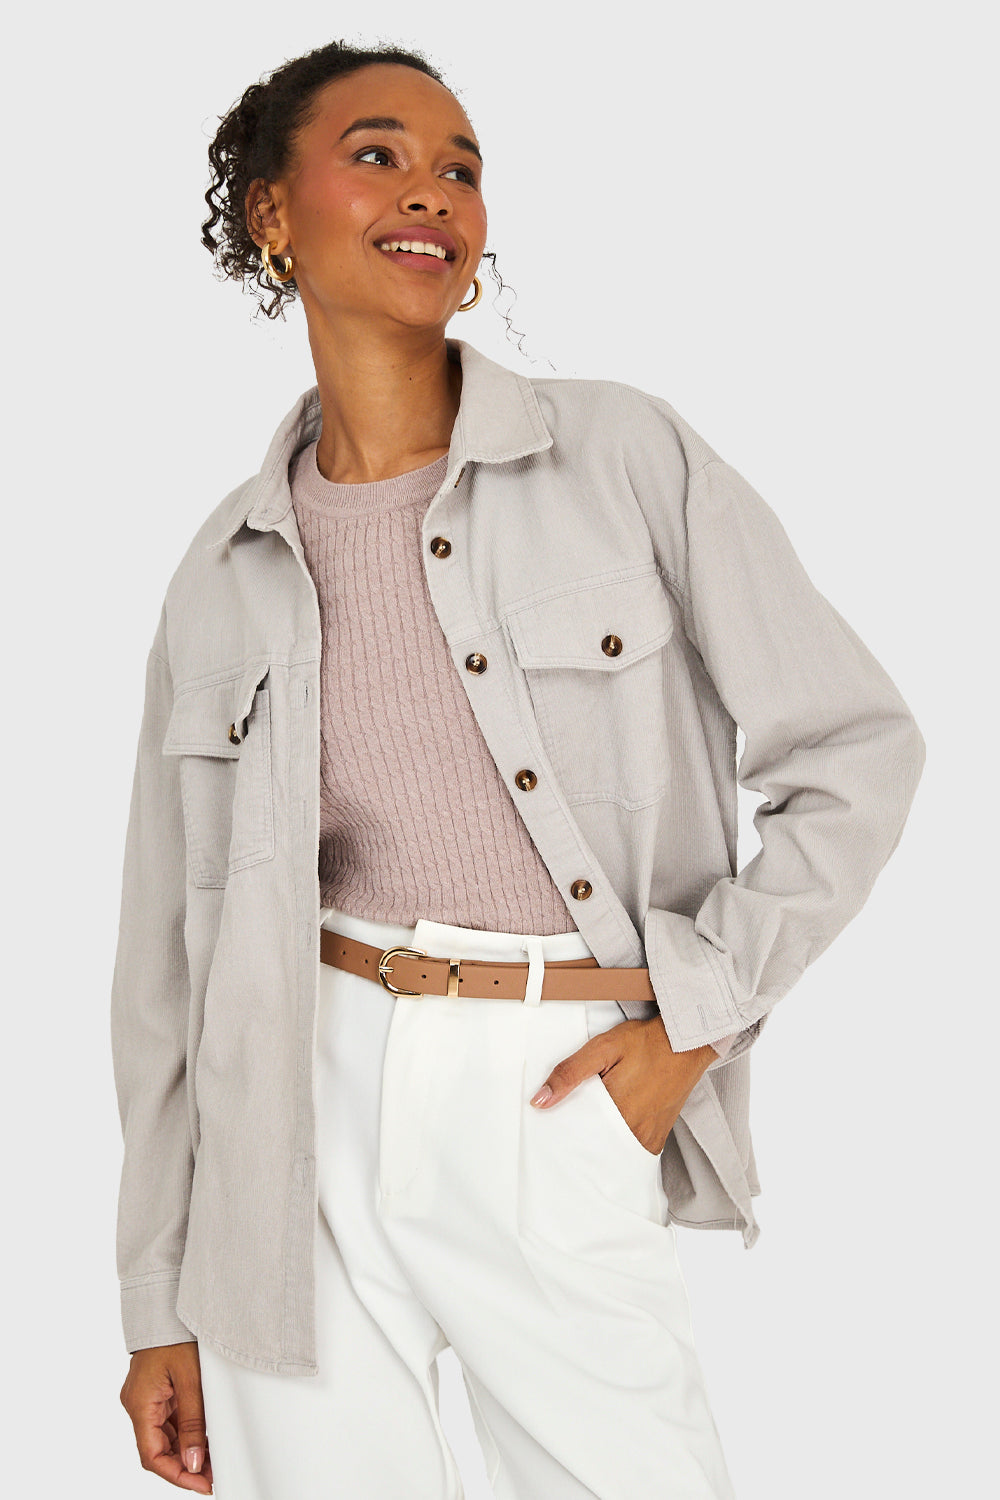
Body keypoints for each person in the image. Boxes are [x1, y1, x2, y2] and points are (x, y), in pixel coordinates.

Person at [111, 37, 926, 1500]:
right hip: (287, 1115)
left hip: (551, 1083)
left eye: (462, 168)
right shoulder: (220, 570)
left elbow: (856, 752)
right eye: (378, 154)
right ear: (271, 211)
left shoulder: (622, 456)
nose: (431, 191)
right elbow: (167, 962)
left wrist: (694, 1022)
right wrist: (156, 1295)